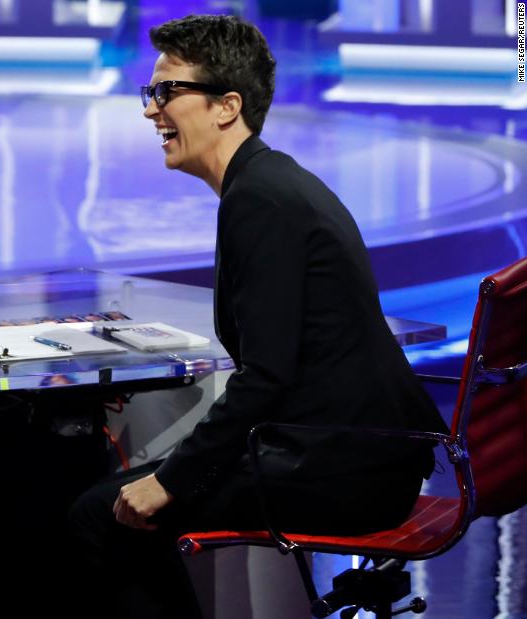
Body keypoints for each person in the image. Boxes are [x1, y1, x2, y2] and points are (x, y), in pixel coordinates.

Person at [65, 14, 448, 618]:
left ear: (226, 106)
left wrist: (171, 480)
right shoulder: (269, 184)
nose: (150, 110)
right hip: (362, 455)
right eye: (151, 93)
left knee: (101, 515)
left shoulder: (262, 200)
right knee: (122, 503)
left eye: (167, 92)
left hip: (345, 469)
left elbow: (265, 378)